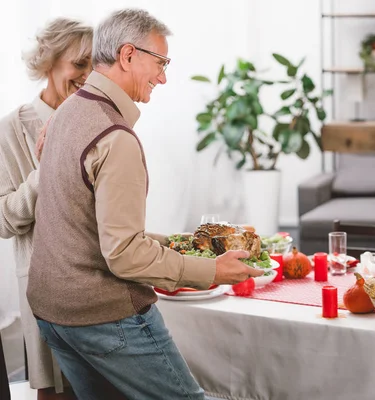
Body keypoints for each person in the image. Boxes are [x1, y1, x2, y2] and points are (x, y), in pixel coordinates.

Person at [25, 9, 263, 400]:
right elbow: (124, 255)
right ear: (128, 55)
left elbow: (84, 223)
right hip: (103, 315)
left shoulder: (66, 112)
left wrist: (172, 242)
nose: (164, 76)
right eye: (161, 62)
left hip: (53, 312)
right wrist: (211, 271)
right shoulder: (114, 136)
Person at [0, 17, 93, 399]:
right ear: (49, 62)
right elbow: (4, 219)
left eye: (94, 65)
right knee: (54, 391)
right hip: (44, 285)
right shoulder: (12, 128)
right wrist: (43, 173)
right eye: (79, 63)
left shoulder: (95, 120)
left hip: (96, 283)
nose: (88, 75)